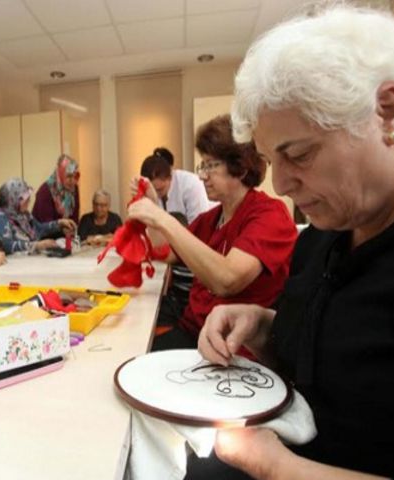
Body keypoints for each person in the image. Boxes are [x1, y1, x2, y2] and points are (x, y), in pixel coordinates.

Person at [196, 5, 394, 480]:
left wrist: (279, 469)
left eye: (298, 154)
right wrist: (265, 328)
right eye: (269, 159)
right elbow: (348, 347)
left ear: (388, 113)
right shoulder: (330, 228)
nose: (280, 185)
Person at [127, 115, 297, 351]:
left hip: (231, 349)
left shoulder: (270, 215)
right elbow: (163, 251)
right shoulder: (212, 218)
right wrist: (154, 206)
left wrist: (163, 219)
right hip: (193, 332)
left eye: (211, 165)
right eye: (203, 165)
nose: (202, 175)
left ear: (241, 167)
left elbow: (227, 280)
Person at [0, 178, 77, 255]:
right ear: (13, 199)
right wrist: (36, 245)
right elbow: (6, 246)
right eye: (24, 199)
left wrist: (59, 223)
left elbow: (39, 228)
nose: (28, 201)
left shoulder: (23, 214)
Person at [139, 147, 215, 224]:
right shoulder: (149, 192)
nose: (156, 195)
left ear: (170, 177)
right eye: (153, 190)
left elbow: (199, 225)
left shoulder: (191, 185)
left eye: (159, 189)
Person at [32, 154, 80, 224]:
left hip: (66, 233)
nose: (72, 180)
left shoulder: (74, 188)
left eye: (75, 176)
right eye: (69, 176)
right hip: (45, 233)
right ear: (60, 174)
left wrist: (72, 230)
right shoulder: (45, 191)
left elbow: (75, 219)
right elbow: (46, 225)